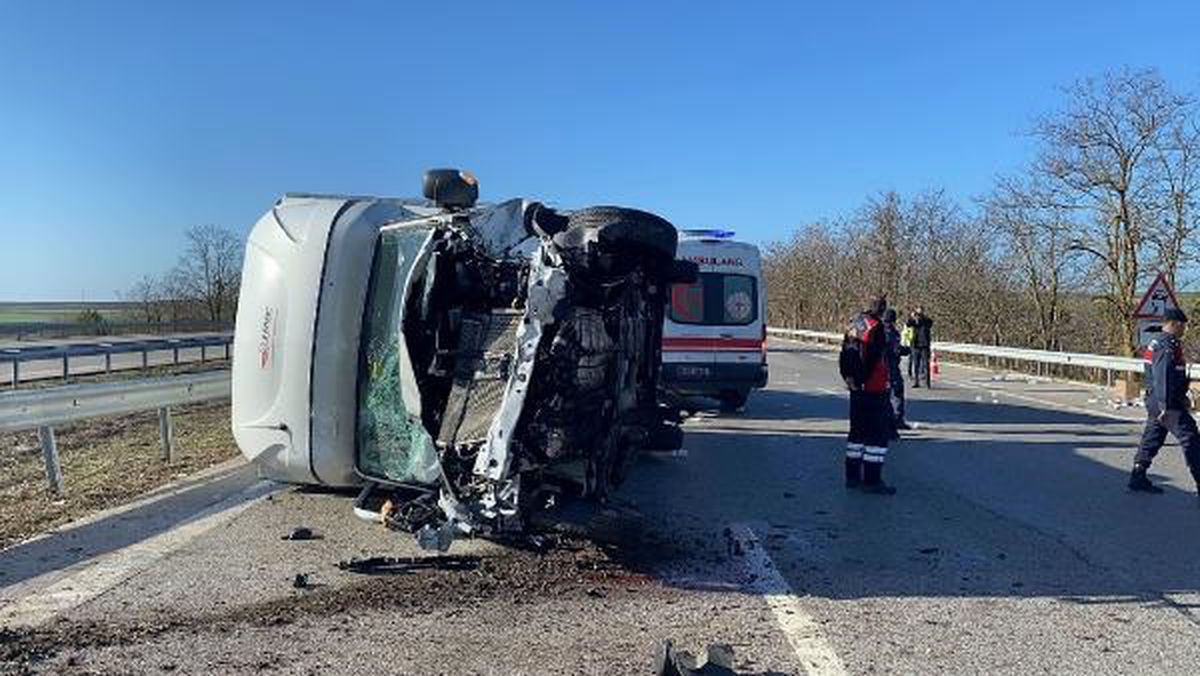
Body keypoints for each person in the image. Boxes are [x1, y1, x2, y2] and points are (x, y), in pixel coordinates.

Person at [1129, 308, 1200, 501]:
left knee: (1153, 436)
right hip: (1166, 402)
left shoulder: (1159, 342)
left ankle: (1138, 474)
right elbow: (1163, 377)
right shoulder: (1165, 345)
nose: (1184, 329)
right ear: (1174, 324)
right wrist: (1164, 406)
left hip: (1159, 400)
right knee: (1191, 439)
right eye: (1183, 325)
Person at [838, 296, 896, 494]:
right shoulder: (877, 327)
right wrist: (865, 379)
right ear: (882, 310)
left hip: (855, 387)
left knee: (856, 433)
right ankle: (872, 480)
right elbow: (875, 357)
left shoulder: (854, 324)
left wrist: (849, 378)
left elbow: (844, 354)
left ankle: (851, 477)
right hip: (873, 388)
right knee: (877, 437)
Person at [883, 309, 911, 433]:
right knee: (895, 392)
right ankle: (895, 420)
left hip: (887, 366)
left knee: (892, 393)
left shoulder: (883, 330)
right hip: (890, 366)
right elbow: (894, 349)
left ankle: (896, 419)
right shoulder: (889, 332)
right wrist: (904, 350)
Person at [906, 307, 934, 388]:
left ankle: (927, 382)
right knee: (916, 364)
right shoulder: (914, 321)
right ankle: (916, 381)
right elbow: (908, 324)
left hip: (924, 345)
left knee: (926, 364)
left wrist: (922, 316)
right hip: (915, 345)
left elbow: (930, 322)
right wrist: (912, 317)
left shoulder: (926, 320)